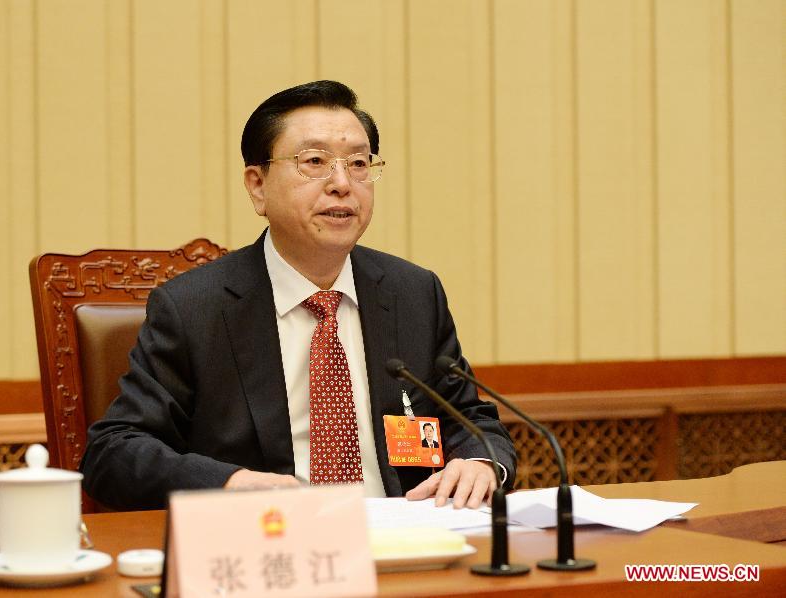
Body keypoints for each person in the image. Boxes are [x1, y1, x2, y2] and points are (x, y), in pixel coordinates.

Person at [80, 80, 516, 511]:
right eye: (315, 161)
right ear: (257, 185)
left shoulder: (413, 293)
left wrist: (479, 462)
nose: (342, 183)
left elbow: (471, 421)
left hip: (406, 543)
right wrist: (228, 483)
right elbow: (113, 452)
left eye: (359, 164)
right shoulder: (196, 307)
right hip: (274, 545)